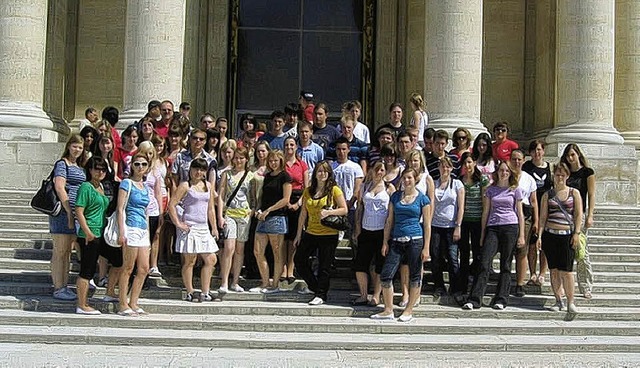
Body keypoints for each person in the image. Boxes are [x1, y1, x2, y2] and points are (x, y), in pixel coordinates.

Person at [370, 168, 431, 322]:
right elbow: (389, 220)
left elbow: (427, 225)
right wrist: (385, 241)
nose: (406, 180)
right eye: (404, 178)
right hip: (397, 240)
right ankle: (388, 309)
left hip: (415, 239)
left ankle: (408, 310)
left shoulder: (423, 199)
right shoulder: (396, 197)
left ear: (415, 179)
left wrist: (426, 247)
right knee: (386, 275)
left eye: (409, 178)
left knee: (415, 275)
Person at [463, 161, 525, 310]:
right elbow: (486, 212)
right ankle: (475, 299)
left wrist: (522, 235)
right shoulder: (491, 190)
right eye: (501, 170)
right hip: (493, 227)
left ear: (510, 173)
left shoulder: (515, 190)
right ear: (497, 172)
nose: (504, 173)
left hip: (510, 226)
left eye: (506, 171)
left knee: (506, 264)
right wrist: (483, 233)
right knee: (484, 262)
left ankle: (501, 299)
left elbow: (520, 213)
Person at [294, 161, 348, 305]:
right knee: (299, 260)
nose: (322, 174)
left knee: (325, 266)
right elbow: (303, 214)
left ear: (329, 173)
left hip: (329, 233)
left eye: (325, 171)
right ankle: (315, 287)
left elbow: (344, 209)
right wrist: (299, 234)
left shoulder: (334, 190)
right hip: (311, 231)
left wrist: (329, 212)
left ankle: (321, 294)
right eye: (319, 171)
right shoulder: (308, 191)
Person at [169, 158, 219, 302]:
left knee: (211, 259)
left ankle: (205, 291)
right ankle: (190, 291)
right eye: (196, 169)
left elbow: (210, 209)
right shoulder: (185, 185)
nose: (198, 172)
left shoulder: (208, 186)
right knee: (190, 260)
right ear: (190, 170)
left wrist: (214, 227)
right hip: (189, 226)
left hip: (203, 227)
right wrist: (178, 224)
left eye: (202, 169)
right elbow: (172, 205)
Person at [536, 163, 582, 315]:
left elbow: (578, 215)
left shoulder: (574, 193)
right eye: (557, 174)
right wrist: (540, 236)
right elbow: (543, 217)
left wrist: (576, 233)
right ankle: (558, 299)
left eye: (563, 174)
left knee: (567, 271)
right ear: (553, 176)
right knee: (554, 270)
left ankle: (570, 301)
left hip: (566, 235)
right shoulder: (547, 195)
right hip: (550, 234)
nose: (560, 177)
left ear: (567, 176)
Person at [74, 157, 119, 314]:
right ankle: (82, 304)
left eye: (103, 169)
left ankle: (110, 291)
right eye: (97, 169)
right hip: (90, 233)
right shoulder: (86, 187)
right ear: (90, 170)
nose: (100, 172)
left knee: (118, 260)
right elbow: (79, 210)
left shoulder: (101, 186)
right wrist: (87, 232)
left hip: (101, 232)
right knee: (87, 270)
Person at [49, 134, 87, 300]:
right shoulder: (62, 164)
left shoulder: (79, 166)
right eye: (75, 146)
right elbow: (59, 187)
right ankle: (58, 287)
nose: (77, 149)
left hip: (75, 213)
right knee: (60, 251)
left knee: (67, 252)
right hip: (63, 212)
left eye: (80, 147)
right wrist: (69, 211)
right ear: (69, 146)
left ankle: (63, 285)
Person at [352, 162, 395, 306]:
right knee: (360, 264)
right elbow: (359, 208)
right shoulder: (365, 187)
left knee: (379, 265)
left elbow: (391, 214)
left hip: (381, 231)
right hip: (366, 229)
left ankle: (376, 295)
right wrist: (357, 228)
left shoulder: (389, 188)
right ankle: (363, 294)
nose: (379, 172)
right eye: (376, 169)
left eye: (382, 170)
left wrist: (386, 238)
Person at [116, 153, 152, 316]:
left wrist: (149, 236)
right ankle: (122, 303)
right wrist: (122, 231)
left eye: (143, 164)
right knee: (128, 267)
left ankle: (134, 301)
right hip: (130, 227)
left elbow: (146, 211)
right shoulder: (126, 183)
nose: (140, 167)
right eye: (137, 164)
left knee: (144, 268)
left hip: (143, 229)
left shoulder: (145, 187)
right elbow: (120, 208)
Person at [252, 150, 292, 293]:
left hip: (277, 217)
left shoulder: (285, 177)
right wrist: (259, 210)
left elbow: (286, 199)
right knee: (257, 251)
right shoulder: (267, 176)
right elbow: (263, 196)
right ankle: (265, 282)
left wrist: (269, 210)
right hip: (263, 217)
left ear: (281, 161)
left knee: (277, 252)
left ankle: (275, 284)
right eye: (271, 161)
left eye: (276, 160)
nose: (273, 163)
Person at [560, 143, 596, 299]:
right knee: (563, 252)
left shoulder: (587, 172)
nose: (570, 158)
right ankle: (562, 286)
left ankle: (586, 286)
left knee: (582, 252)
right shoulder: (565, 173)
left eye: (573, 155)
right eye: (568, 155)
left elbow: (592, 194)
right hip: (564, 215)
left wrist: (590, 215)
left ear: (578, 155)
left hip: (579, 215)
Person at [217, 147, 254, 293]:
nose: (238, 161)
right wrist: (220, 215)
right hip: (230, 214)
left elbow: (254, 196)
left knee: (240, 249)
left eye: (241, 158)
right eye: (236, 158)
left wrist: (252, 211)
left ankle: (235, 281)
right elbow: (221, 195)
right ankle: (224, 281)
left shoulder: (251, 176)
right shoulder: (227, 174)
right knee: (229, 248)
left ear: (246, 159)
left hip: (244, 215)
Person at [430, 157, 465, 297]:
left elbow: (461, 207)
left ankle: (455, 287)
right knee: (436, 256)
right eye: (442, 166)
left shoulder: (457, 184)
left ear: (451, 168)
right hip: (435, 225)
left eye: (448, 167)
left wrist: (458, 225)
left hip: (451, 225)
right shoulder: (433, 183)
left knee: (452, 257)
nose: (445, 169)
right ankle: (439, 286)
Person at [458, 152, 489, 294]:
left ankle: (476, 286)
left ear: (474, 163)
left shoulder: (482, 180)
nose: (467, 165)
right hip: (464, 222)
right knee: (463, 254)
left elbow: (484, 204)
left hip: (477, 222)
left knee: (478, 254)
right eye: (465, 163)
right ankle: (462, 286)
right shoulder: (459, 180)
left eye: (470, 162)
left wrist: (484, 226)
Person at [522, 140, 552, 286]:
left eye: (539, 150)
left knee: (545, 244)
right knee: (532, 243)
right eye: (534, 150)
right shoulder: (526, 167)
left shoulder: (550, 168)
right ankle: (532, 272)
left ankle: (542, 273)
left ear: (543, 151)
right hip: (531, 208)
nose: (537, 153)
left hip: (546, 208)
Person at [510, 148, 539, 297]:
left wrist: (536, 221)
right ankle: (505, 281)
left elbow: (534, 201)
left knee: (522, 251)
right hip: (507, 215)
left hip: (525, 216)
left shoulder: (529, 179)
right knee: (507, 251)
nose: (516, 162)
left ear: (523, 161)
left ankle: (519, 284)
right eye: (514, 159)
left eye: (519, 159)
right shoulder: (504, 175)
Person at [283, 137, 309, 283]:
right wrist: (285, 202)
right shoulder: (281, 164)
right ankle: (283, 268)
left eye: (292, 144)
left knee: (293, 237)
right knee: (283, 237)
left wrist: (298, 204)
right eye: (286, 145)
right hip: (283, 200)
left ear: (296, 147)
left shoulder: (302, 165)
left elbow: (306, 188)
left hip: (298, 200)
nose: (289, 147)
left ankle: (291, 269)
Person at [137, 142, 165, 278]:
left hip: (153, 209)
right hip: (138, 210)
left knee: (153, 237)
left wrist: (161, 212)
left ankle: (152, 265)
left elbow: (158, 192)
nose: (148, 156)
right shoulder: (136, 167)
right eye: (145, 152)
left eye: (150, 153)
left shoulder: (156, 172)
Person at [330, 137, 364, 233]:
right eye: (339, 149)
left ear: (349, 149)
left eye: (344, 149)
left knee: (351, 236)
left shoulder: (355, 167)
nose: (341, 152)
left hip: (351, 206)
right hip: (335, 207)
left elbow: (358, 188)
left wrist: (351, 202)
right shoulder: (331, 167)